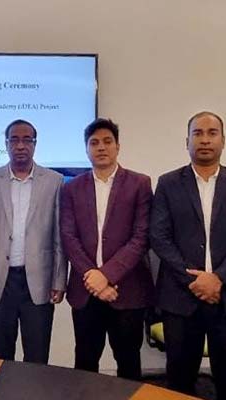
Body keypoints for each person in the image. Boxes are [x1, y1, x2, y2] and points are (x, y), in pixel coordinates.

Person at [150, 111, 226, 399]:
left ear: (223, 141)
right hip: (181, 300)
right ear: (186, 141)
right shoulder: (168, 183)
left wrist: (219, 279)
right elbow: (159, 237)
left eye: (212, 133)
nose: (204, 140)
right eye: (197, 133)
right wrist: (196, 280)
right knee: (179, 386)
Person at [60, 118, 154, 380]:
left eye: (107, 141)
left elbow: (141, 237)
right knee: (85, 362)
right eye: (94, 143)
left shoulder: (139, 184)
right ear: (86, 149)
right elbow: (68, 236)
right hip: (86, 290)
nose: (101, 147)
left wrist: (107, 276)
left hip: (127, 289)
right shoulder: (71, 188)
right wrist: (94, 278)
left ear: (118, 146)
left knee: (128, 363)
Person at [0, 119, 67, 364]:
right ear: (6, 144)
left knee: (37, 356)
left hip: (38, 281)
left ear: (35, 144)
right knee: (0, 355)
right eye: (14, 139)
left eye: (27, 140)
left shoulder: (55, 181)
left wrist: (59, 280)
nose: (20, 145)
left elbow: (59, 235)